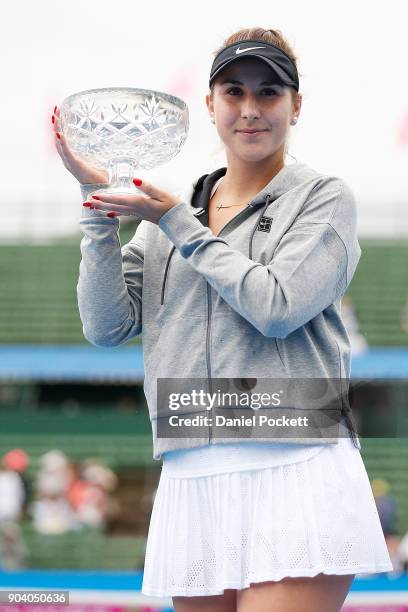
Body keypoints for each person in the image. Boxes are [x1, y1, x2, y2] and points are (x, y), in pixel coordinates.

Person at [53, 26, 393, 612]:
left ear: (296, 107)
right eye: (234, 92)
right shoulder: (168, 217)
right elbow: (106, 326)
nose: (251, 109)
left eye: (269, 93)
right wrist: (98, 213)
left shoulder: (321, 199)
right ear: (209, 105)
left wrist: (179, 225)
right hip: (192, 468)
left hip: (296, 461)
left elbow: (277, 307)